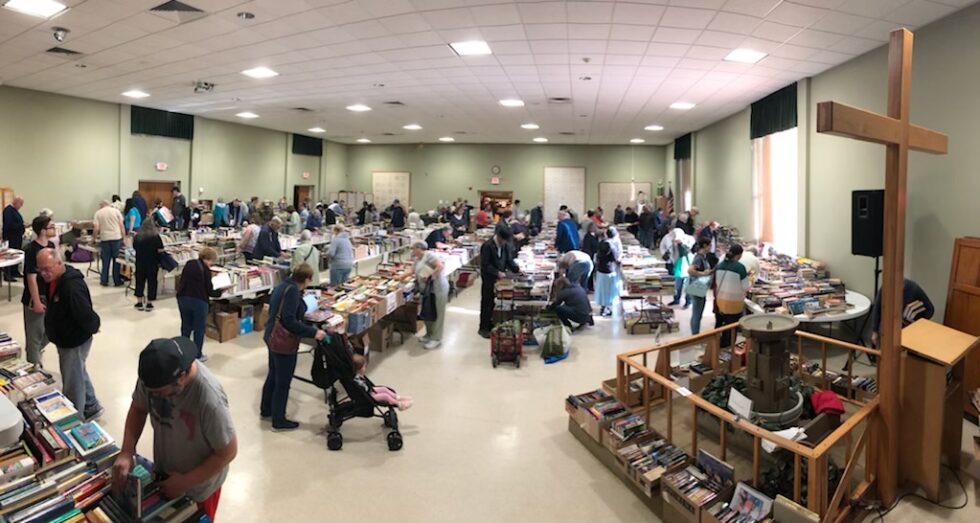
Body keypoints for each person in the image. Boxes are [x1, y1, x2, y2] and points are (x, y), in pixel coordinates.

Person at [114, 337, 237, 522]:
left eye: (160, 392)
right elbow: (138, 409)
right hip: (165, 476)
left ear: (182, 376)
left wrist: (185, 482)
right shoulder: (153, 378)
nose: (154, 395)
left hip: (199, 488)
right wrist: (126, 451)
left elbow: (227, 452)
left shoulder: (209, 400)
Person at [36, 248, 103, 420]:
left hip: (73, 340)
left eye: (47, 269)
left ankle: (75, 419)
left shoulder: (72, 287)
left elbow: (85, 314)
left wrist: (94, 326)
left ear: (59, 263)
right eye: (40, 269)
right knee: (78, 371)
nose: (44, 273)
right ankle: (91, 405)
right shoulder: (54, 280)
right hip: (66, 337)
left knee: (72, 382)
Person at [261, 264, 326, 430]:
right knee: (283, 381)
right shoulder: (292, 292)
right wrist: (313, 332)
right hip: (283, 341)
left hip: (272, 336)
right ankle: (279, 419)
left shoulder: (283, 285)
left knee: (273, 374)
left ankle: (266, 408)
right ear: (306, 279)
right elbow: (289, 321)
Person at [177, 247, 223, 361]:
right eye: (212, 261)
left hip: (183, 298)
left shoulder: (189, 264)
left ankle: (183, 351)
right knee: (199, 329)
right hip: (198, 301)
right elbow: (210, 291)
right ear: (208, 259)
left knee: (186, 326)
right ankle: (197, 355)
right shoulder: (206, 270)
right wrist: (221, 291)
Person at [22, 216, 56, 366]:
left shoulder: (51, 247)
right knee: (34, 335)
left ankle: (34, 352)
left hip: (50, 296)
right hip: (36, 297)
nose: (54, 229)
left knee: (51, 330)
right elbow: (31, 278)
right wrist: (36, 301)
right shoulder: (31, 250)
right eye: (51, 227)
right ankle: (33, 366)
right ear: (43, 230)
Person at [478, 228, 521, 338]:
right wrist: (497, 272)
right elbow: (485, 264)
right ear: (498, 237)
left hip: (500, 279)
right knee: (487, 303)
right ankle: (484, 328)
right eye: (503, 240)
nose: (504, 242)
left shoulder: (505, 245)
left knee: (496, 303)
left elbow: (508, 261)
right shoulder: (487, 246)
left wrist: (517, 270)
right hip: (489, 278)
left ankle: (492, 322)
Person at [870, 278, 934, 348]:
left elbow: (930, 309)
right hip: (886, 329)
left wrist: (916, 323)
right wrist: (875, 331)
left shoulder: (914, 289)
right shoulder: (886, 287)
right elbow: (877, 308)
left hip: (905, 332)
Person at [411, 241, 449, 349]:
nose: (412, 251)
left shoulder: (430, 255)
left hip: (438, 289)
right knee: (428, 312)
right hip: (427, 290)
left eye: (413, 248)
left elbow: (440, 266)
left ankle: (436, 338)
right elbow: (412, 270)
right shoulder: (418, 259)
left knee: (437, 313)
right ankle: (429, 334)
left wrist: (431, 275)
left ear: (419, 248)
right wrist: (399, 277)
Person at [714, 244, 750, 349]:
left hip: (721, 300)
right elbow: (746, 287)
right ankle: (728, 349)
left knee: (723, 325)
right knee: (732, 328)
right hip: (734, 302)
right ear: (739, 255)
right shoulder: (740, 267)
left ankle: (720, 346)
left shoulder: (720, 265)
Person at [134, 219, 165, 312]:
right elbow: (160, 249)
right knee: (152, 282)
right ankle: (149, 303)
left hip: (140, 262)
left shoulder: (137, 237)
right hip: (152, 263)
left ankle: (139, 302)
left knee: (139, 281)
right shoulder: (156, 237)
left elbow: (134, 247)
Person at [93, 200, 125, 287]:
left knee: (105, 260)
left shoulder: (98, 213)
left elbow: (96, 228)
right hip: (116, 238)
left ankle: (104, 280)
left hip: (105, 239)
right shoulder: (116, 211)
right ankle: (117, 280)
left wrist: (93, 239)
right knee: (116, 260)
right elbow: (121, 225)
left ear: (102, 205)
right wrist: (124, 238)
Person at [662, 228, 694, 308]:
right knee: (677, 284)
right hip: (677, 265)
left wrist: (682, 243)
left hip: (688, 264)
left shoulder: (690, 239)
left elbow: (691, 250)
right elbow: (666, 248)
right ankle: (676, 300)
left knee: (688, 284)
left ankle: (688, 301)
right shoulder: (670, 239)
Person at [688, 238, 715, 335]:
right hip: (698, 286)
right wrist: (703, 274)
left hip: (700, 286)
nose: (710, 247)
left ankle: (695, 333)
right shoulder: (699, 257)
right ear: (705, 246)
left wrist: (711, 271)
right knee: (697, 314)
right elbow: (691, 270)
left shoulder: (703, 257)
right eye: (709, 245)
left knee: (697, 312)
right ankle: (695, 335)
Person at [594, 238, 621, 317]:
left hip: (600, 270)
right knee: (610, 291)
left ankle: (603, 307)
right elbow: (615, 258)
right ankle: (607, 307)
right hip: (610, 270)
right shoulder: (611, 247)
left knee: (602, 290)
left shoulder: (601, 245)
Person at [2, 196, 25, 282]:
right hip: (12, 237)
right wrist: (22, 226)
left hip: (17, 236)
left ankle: (15, 271)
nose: (21, 206)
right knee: (10, 255)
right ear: (16, 202)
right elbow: (8, 224)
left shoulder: (14, 211)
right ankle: (7, 274)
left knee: (16, 254)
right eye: (21, 204)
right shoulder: (8, 210)